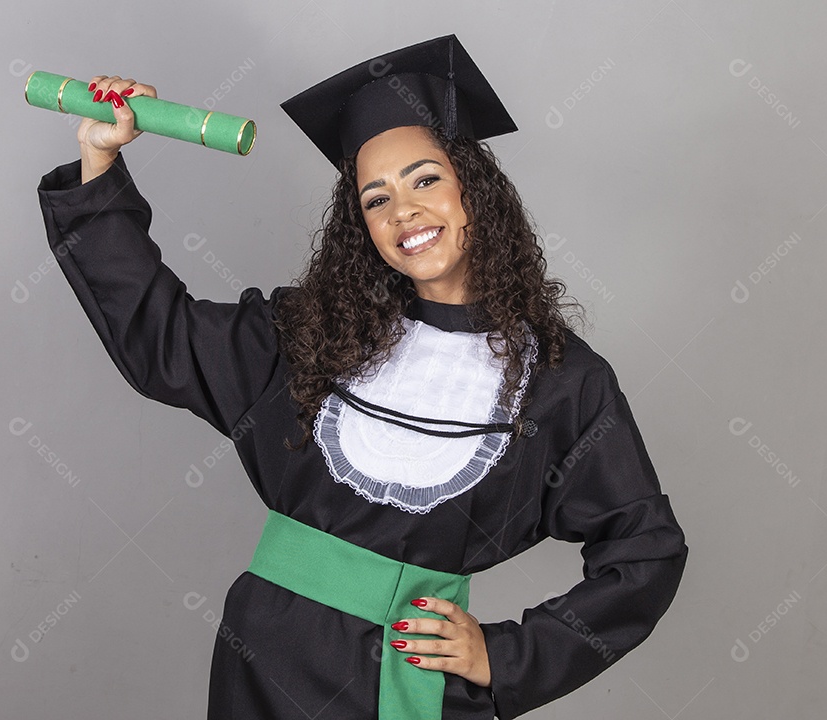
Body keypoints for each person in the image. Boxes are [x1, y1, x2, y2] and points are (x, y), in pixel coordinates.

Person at [36, 34, 688, 720]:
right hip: (264, 664)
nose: (403, 210)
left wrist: (506, 657)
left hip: (406, 685)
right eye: (376, 199)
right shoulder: (312, 337)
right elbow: (159, 335)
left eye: (426, 179)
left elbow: (646, 551)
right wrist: (99, 161)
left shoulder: (560, 382)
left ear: (475, 191)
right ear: (362, 226)